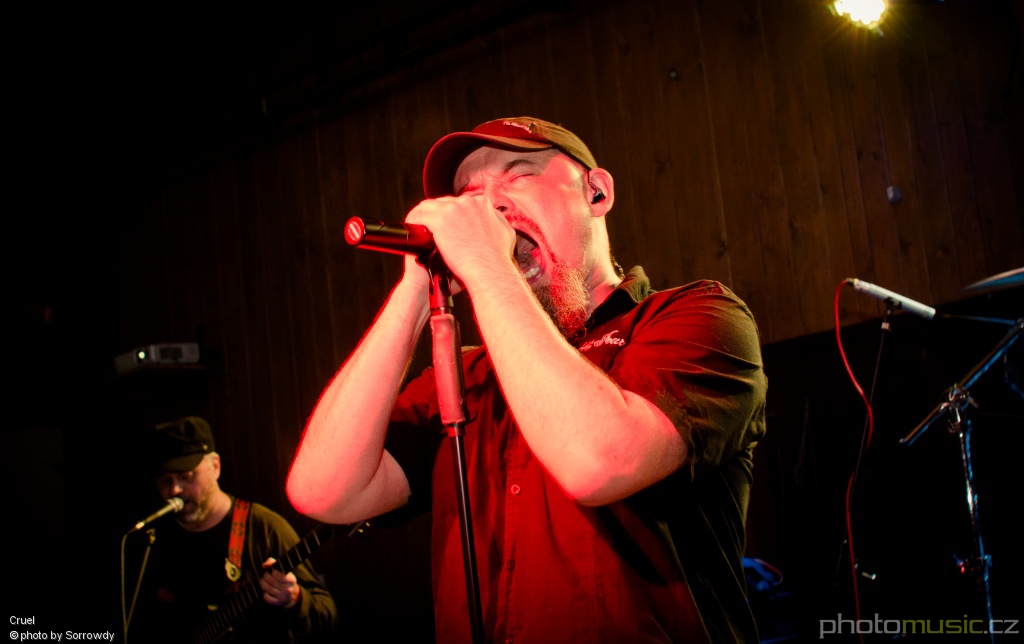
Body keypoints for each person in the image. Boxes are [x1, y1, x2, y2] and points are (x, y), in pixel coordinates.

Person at [287, 117, 767, 642]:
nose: (488, 206)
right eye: (469, 196)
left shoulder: (697, 315)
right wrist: (414, 292)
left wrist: (486, 266)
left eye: (517, 175)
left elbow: (599, 463)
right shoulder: (465, 377)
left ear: (596, 191)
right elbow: (323, 492)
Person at [129, 416, 337, 643]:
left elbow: (327, 614)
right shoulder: (153, 540)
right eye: (165, 481)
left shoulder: (264, 527)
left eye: (185, 476)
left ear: (215, 466)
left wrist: (295, 599)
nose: (175, 490)